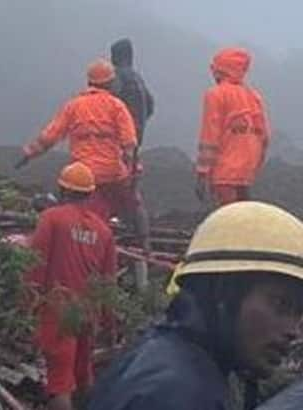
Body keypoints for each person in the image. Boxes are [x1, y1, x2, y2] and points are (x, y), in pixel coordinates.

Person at [86, 201, 303, 410]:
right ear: (223, 294)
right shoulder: (177, 395)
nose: (293, 331)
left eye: (299, 313)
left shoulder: (161, 357)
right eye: (280, 305)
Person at [18, 59, 144, 290]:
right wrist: (132, 170)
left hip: (83, 179)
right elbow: (129, 143)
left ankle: (86, 260)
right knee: (133, 208)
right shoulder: (117, 106)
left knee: (87, 223)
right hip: (113, 175)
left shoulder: (74, 106)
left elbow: (50, 136)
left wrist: (29, 153)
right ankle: (142, 248)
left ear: (89, 82)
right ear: (110, 83)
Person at [23, 162, 118, 410]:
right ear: (90, 193)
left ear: (62, 190)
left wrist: (26, 308)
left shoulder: (52, 219)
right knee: (83, 377)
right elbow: (108, 284)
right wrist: (109, 324)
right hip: (87, 314)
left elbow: (36, 266)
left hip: (58, 311)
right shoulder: (104, 231)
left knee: (60, 384)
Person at [196, 47, 271, 207]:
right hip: (247, 171)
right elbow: (264, 137)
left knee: (227, 217)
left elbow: (210, 137)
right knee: (243, 215)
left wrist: (202, 173)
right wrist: (254, 165)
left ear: (220, 70)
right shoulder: (254, 96)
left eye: (215, 69)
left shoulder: (215, 94)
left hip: (225, 170)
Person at [110, 38, 155, 291]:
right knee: (132, 191)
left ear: (115, 57)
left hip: (120, 144)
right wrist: (138, 127)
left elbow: (110, 106)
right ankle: (143, 241)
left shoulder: (118, 78)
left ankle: (112, 237)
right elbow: (151, 105)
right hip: (135, 142)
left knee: (112, 186)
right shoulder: (138, 79)